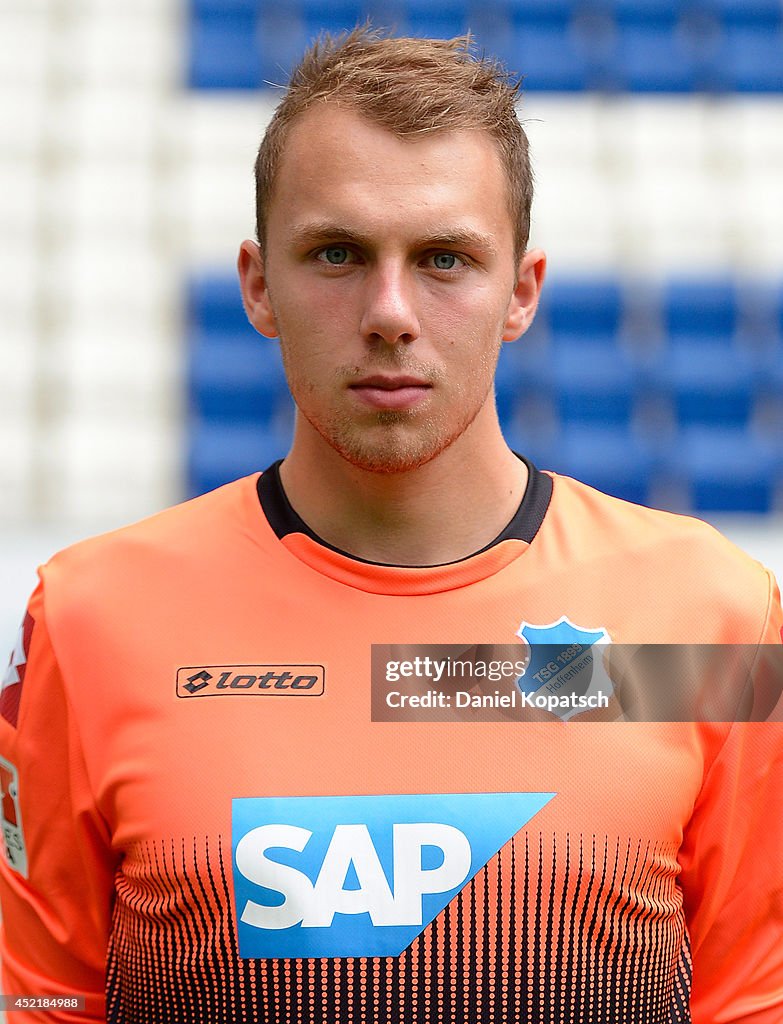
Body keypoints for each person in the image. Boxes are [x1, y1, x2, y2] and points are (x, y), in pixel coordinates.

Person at [1, 27, 781, 1024]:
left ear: (522, 292)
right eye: (338, 252)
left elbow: (754, 999)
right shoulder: (90, 619)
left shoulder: (709, 618)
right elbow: (45, 1003)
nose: (389, 311)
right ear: (256, 284)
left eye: (446, 258)